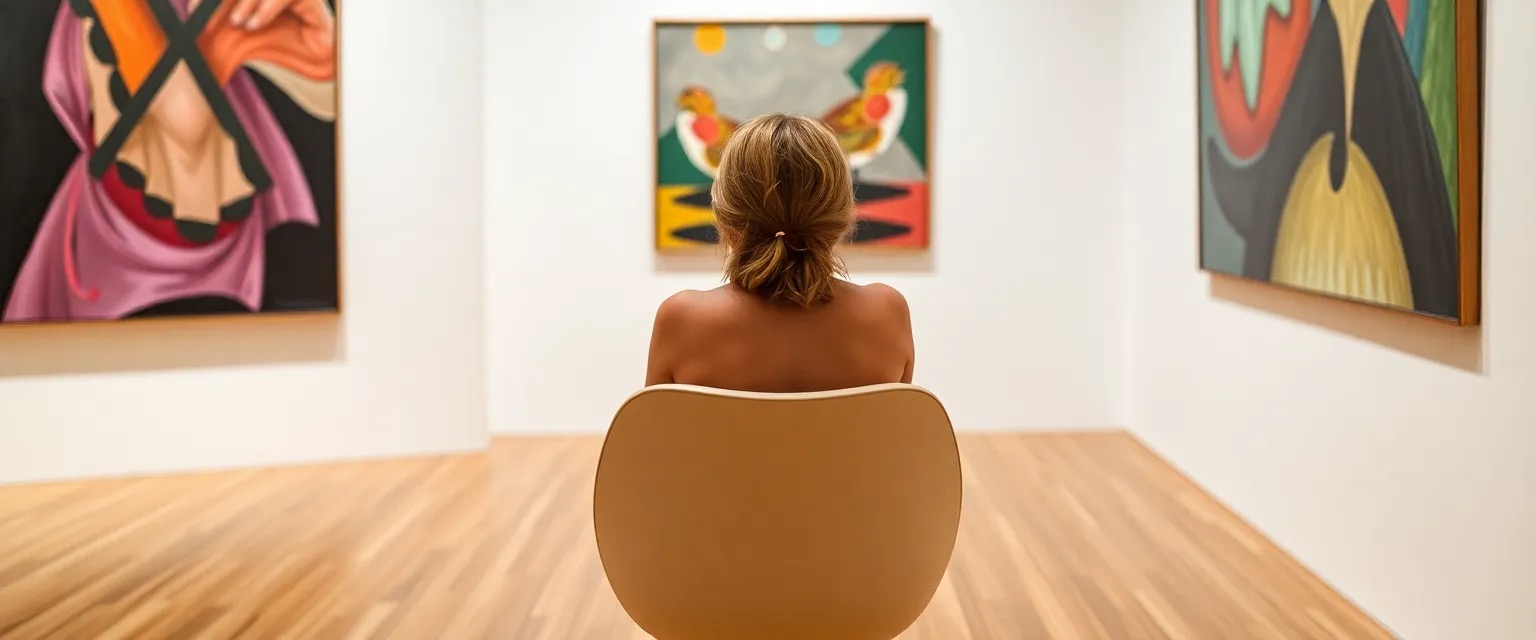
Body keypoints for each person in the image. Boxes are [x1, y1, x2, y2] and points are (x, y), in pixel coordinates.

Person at [645, 113, 914, 392]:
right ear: (842, 216)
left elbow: (650, 421)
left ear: (724, 215)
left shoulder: (683, 320)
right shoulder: (887, 314)